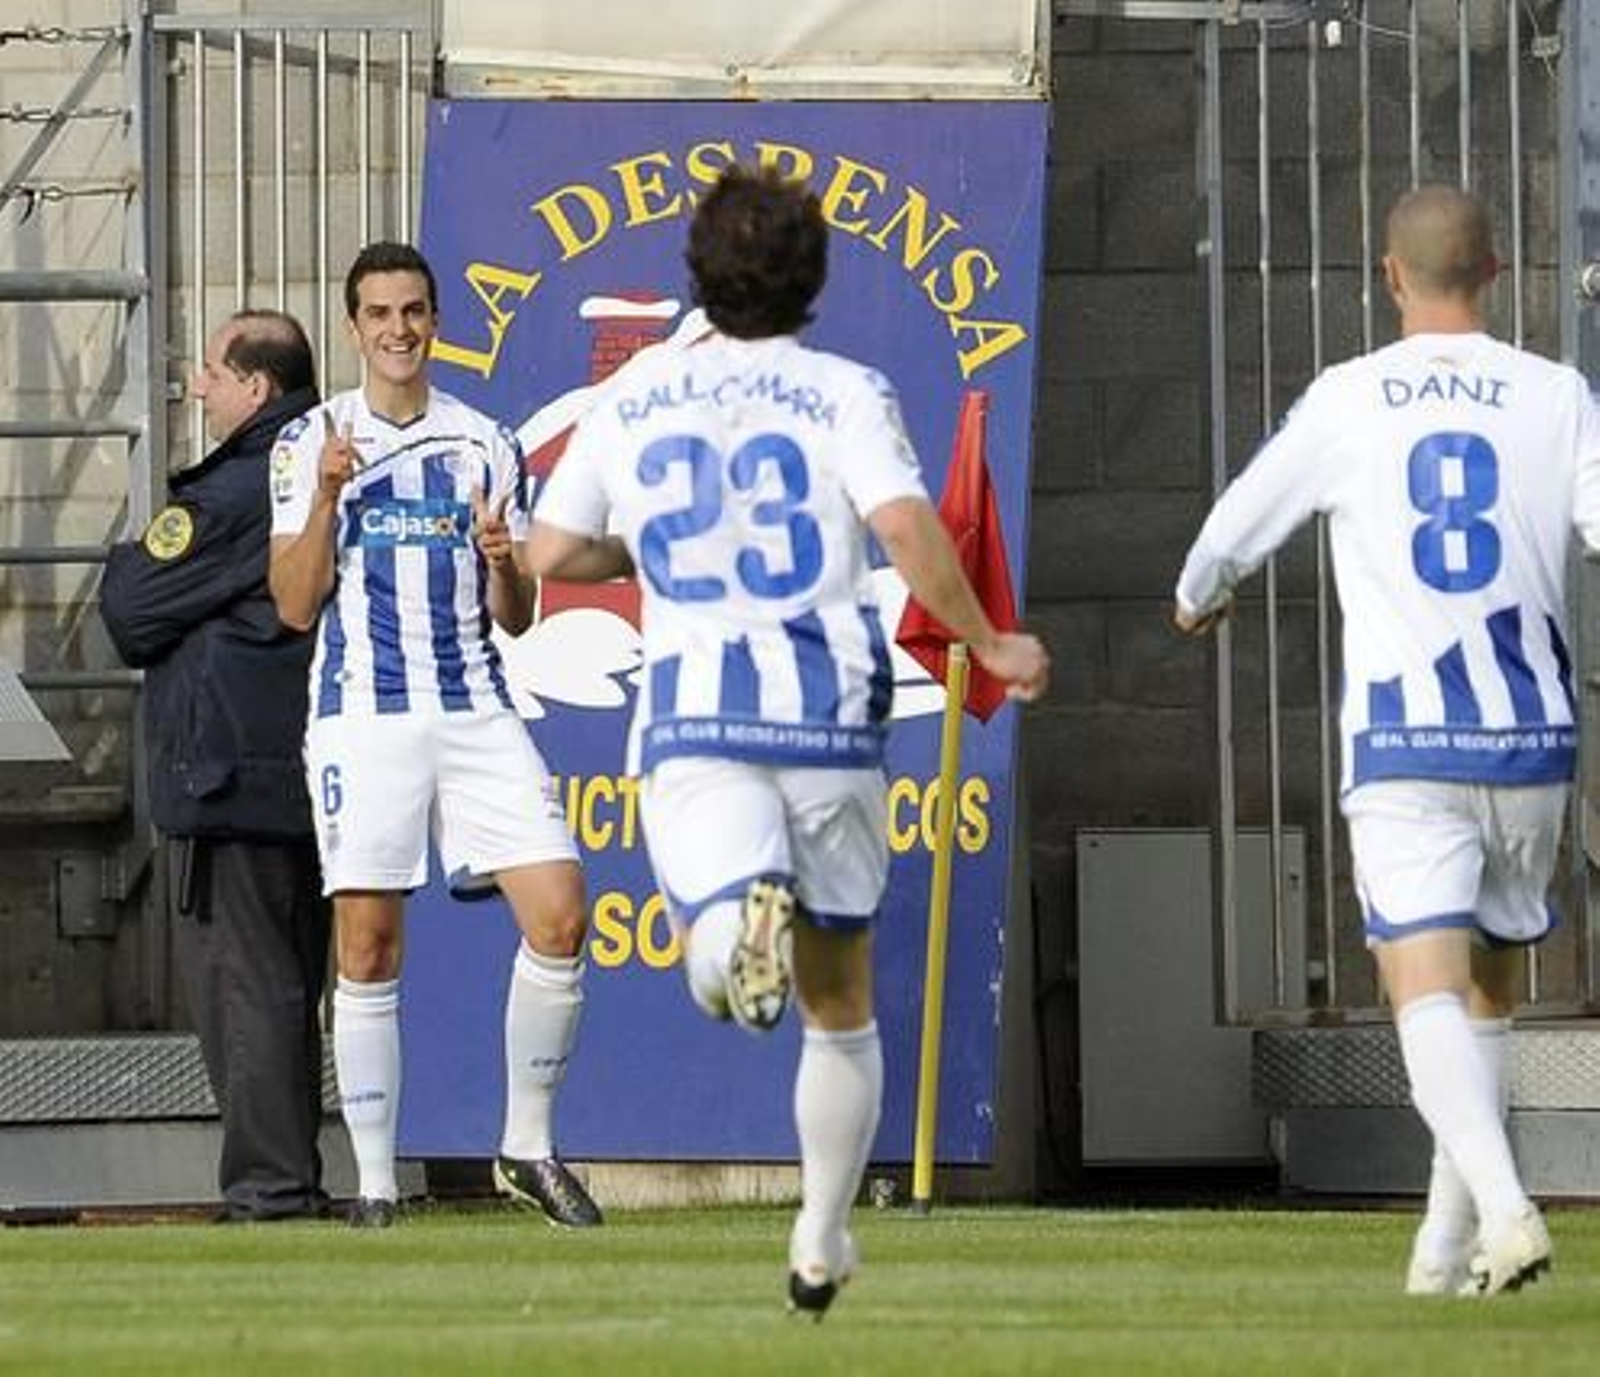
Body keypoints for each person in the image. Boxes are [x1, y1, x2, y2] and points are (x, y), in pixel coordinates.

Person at [527, 165, 1050, 1315]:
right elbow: (905, 527)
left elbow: (553, 553)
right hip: (827, 712)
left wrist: (648, 553)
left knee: (716, 933)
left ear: (697, 275)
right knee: (841, 999)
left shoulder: (638, 398)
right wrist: (988, 639)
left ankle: (731, 932)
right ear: (813, 281)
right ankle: (818, 1239)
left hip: (699, 711)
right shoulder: (847, 391)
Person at [1175, 183, 1600, 1296]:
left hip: (1410, 738)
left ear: (1389, 277)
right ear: (1497, 274)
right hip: (1533, 737)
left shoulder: (1347, 397)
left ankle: (1507, 1212)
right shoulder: (1557, 394)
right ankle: (1437, 1253)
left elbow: (1235, 521)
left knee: (1418, 989)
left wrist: (1197, 590)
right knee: (1487, 999)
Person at [267, 242, 601, 1230]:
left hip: (474, 708)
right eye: (379, 314)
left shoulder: (484, 442)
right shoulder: (310, 442)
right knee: (366, 946)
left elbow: (518, 614)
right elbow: (292, 605)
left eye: (413, 312)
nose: (398, 331)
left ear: (434, 320)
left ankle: (526, 1145)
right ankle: (373, 1184)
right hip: (363, 715)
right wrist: (329, 495)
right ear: (353, 327)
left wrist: (503, 563)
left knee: (561, 910)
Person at [101, 309, 332, 1222]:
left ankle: (272, 1193)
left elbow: (129, 607)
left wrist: (145, 573)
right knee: (283, 984)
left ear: (255, 388)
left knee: (248, 992)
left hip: (228, 779)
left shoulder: (240, 488)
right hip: (291, 773)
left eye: (209, 373)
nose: (197, 387)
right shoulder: (313, 466)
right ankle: (288, 1182)